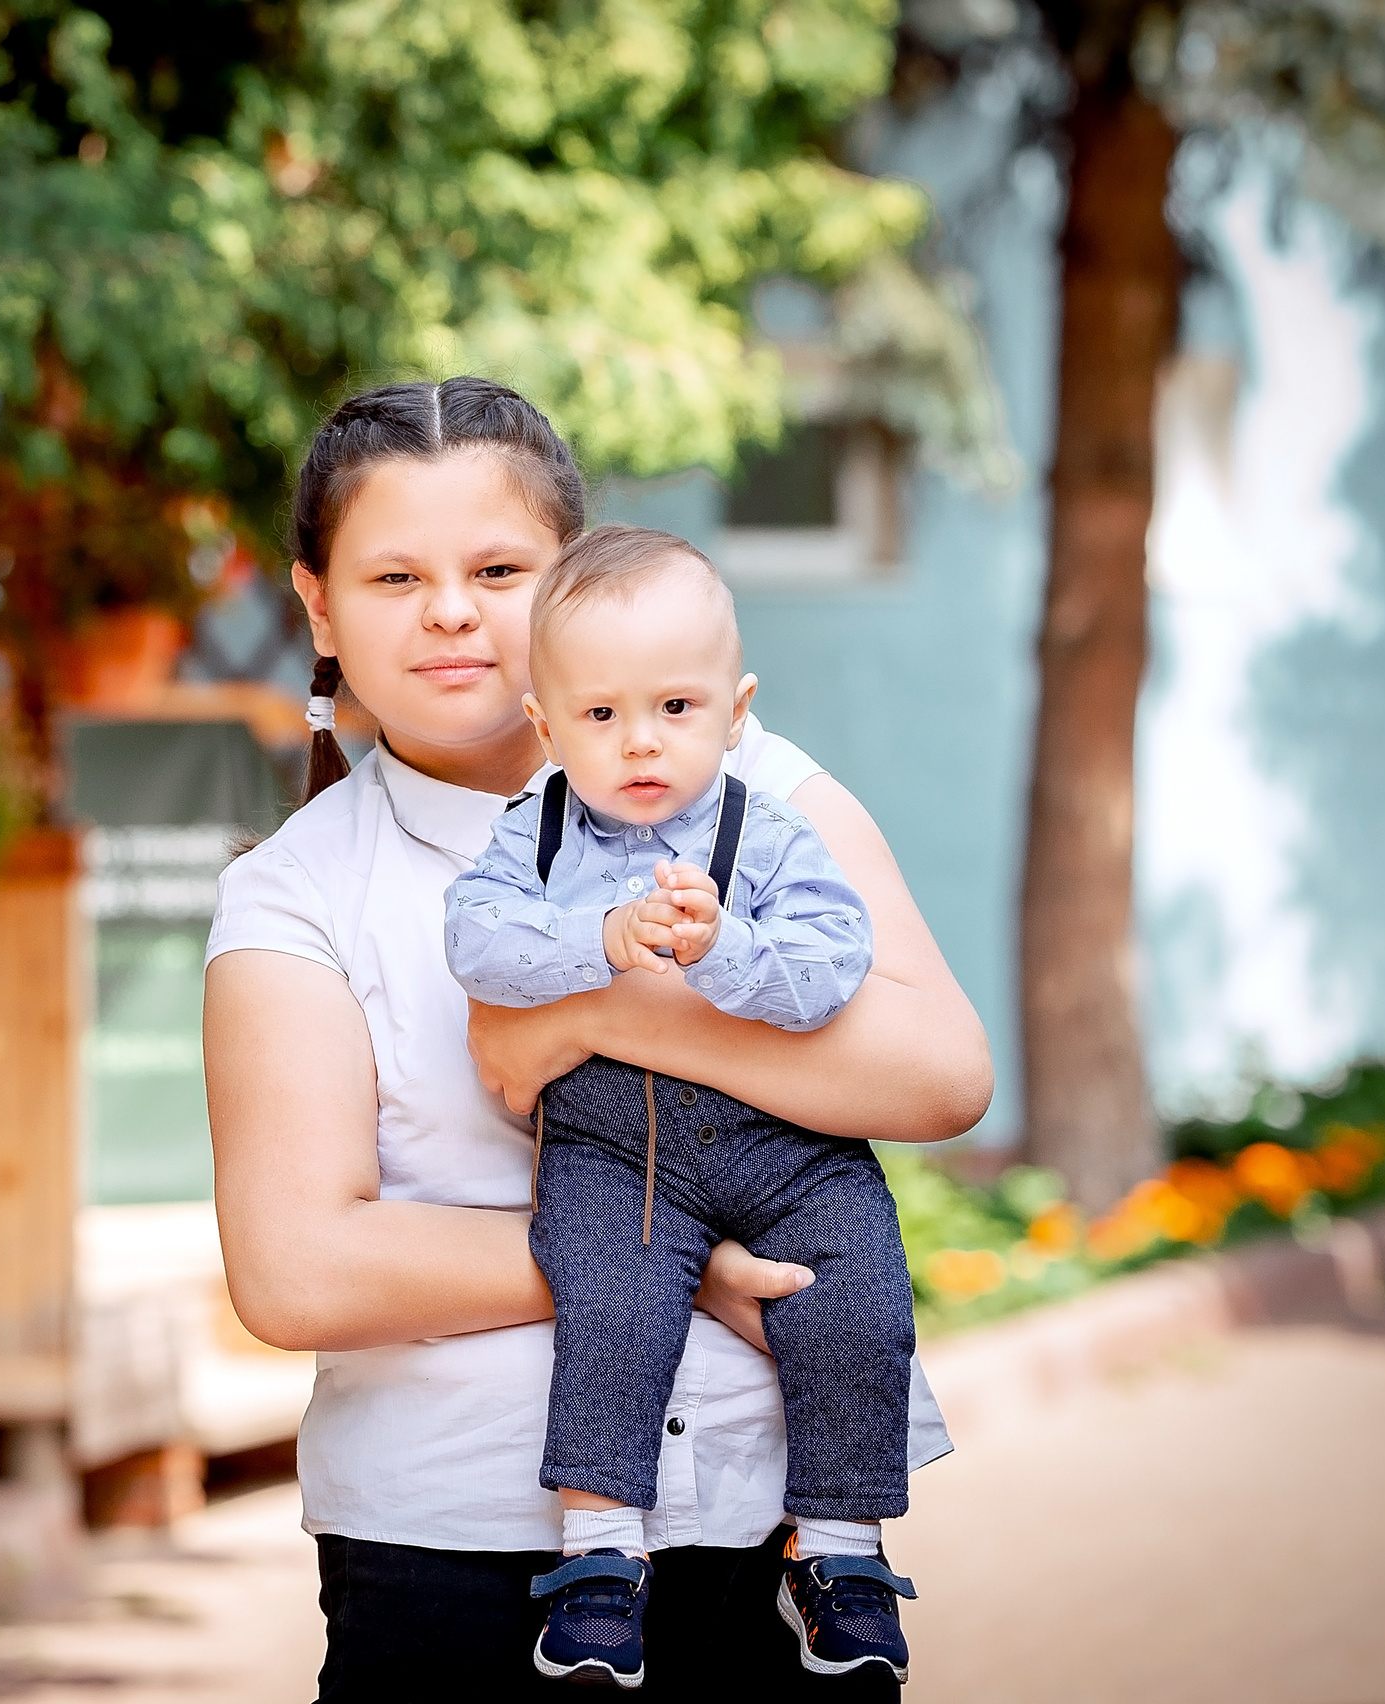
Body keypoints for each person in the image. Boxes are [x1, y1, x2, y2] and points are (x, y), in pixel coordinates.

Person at [203, 377, 992, 1700]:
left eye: (499, 567)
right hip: (450, 1552)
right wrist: (677, 1266)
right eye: (395, 575)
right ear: (319, 605)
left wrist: (603, 1012)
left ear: (570, 577)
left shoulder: (757, 789)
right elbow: (298, 1269)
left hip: (763, 1529)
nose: (452, 610)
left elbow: (940, 1073)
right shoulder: (293, 892)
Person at [445, 524, 919, 1689]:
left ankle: (843, 1553)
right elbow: (474, 940)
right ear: (546, 725)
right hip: (615, 1143)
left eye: (674, 707)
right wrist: (594, 941)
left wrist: (726, 952)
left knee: (857, 1294)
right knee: (608, 1305)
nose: (640, 741)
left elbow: (831, 962)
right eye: (599, 717)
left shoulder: (769, 829)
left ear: (733, 708)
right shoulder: (536, 832)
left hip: (785, 1146)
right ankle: (599, 1557)